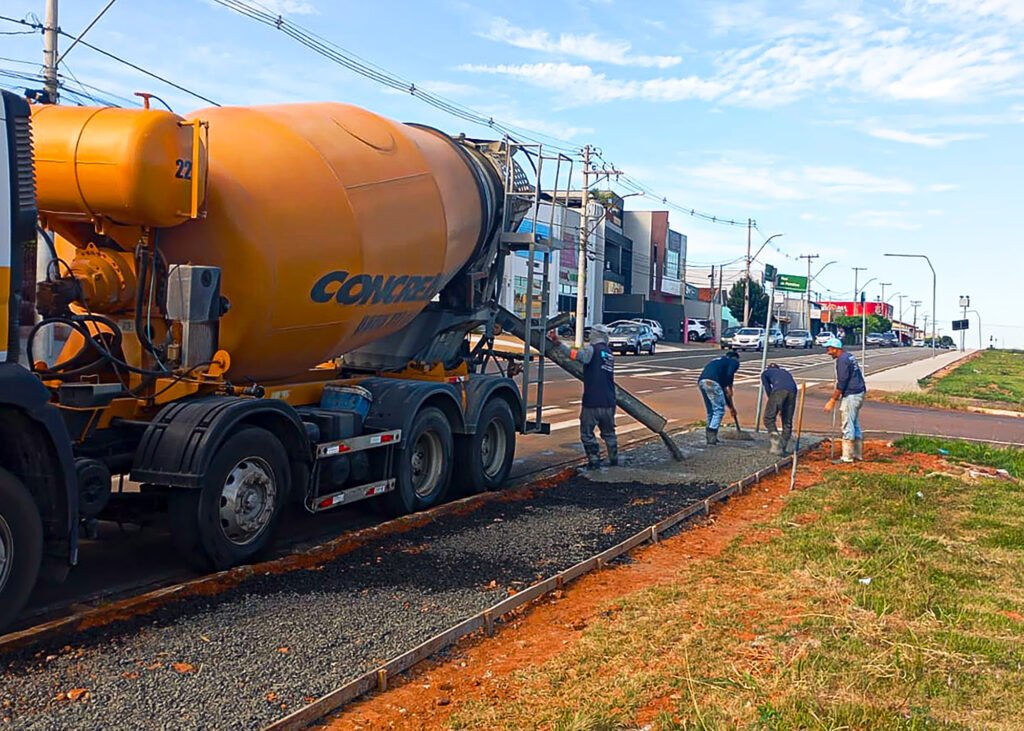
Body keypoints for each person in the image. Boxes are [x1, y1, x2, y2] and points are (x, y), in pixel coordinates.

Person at [564, 324, 618, 468]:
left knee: (587, 433)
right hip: (609, 401)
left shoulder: (592, 349)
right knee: (609, 433)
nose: (589, 337)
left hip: (592, 401)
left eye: (591, 334)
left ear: (595, 335)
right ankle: (613, 458)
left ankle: (594, 460)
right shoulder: (608, 353)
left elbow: (577, 356)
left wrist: (559, 344)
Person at [823, 336, 866, 462]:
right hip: (859, 391)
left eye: (829, 349)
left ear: (835, 349)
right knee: (855, 423)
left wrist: (832, 400)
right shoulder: (849, 356)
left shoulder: (842, 360)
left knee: (847, 423)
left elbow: (842, 382)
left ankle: (847, 456)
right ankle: (857, 454)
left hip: (852, 394)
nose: (828, 352)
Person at [698, 350, 740, 445]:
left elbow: (724, 394)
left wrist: (731, 407)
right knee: (719, 410)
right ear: (735, 358)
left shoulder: (719, 362)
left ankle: (710, 436)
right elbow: (730, 374)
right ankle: (712, 437)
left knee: (711, 410)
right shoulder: (734, 362)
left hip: (702, 382)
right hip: (713, 382)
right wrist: (728, 387)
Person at [761, 362, 798, 455]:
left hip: (779, 390)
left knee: (768, 418)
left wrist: (773, 403)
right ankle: (783, 446)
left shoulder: (765, 373)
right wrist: (781, 407)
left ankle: (775, 440)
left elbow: (768, 388)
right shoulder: (785, 372)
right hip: (793, 391)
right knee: (787, 420)